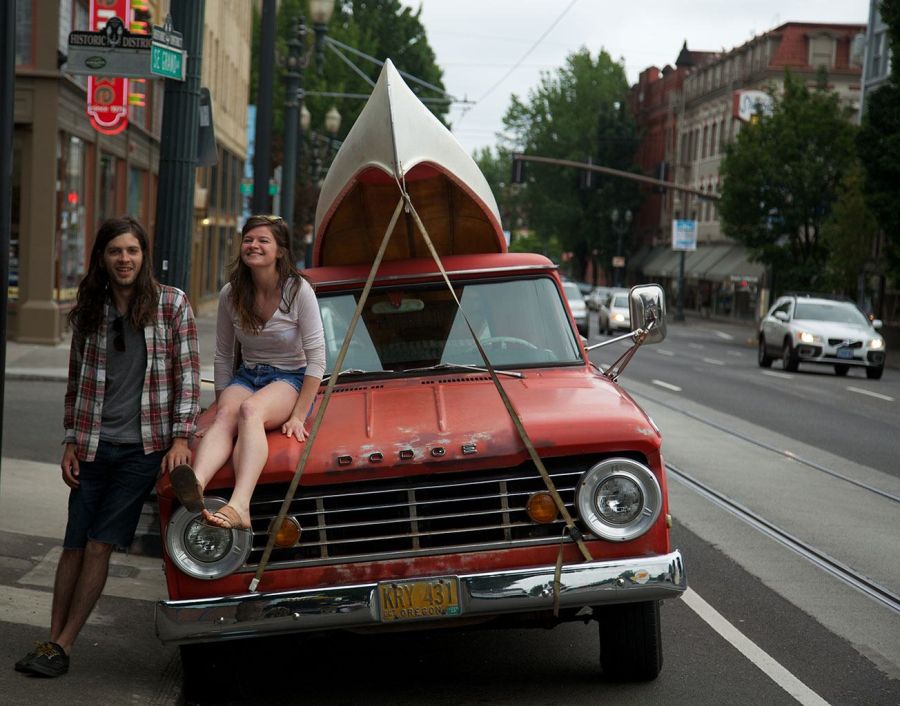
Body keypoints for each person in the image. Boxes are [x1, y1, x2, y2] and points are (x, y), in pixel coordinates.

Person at [14, 216, 200, 678]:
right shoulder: (92, 308)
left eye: (132, 251)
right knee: (73, 543)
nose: (124, 259)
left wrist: (180, 437)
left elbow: (189, 378)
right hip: (94, 446)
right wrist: (71, 440)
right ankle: (52, 641)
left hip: (143, 449)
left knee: (99, 545)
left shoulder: (172, 305)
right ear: (103, 256)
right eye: (116, 251)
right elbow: (77, 382)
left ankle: (64, 643)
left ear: (144, 256)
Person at [170, 214, 325, 531]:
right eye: (249, 239)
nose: (253, 245)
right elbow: (224, 355)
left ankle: (240, 506)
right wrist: (216, 407)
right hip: (247, 376)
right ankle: (195, 485)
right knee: (228, 412)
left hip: (290, 378)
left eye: (263, 240)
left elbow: (317, 360)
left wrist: (298, 414)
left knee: (250, 410)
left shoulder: (298, 291)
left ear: (280, 251)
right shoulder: (232, 293)